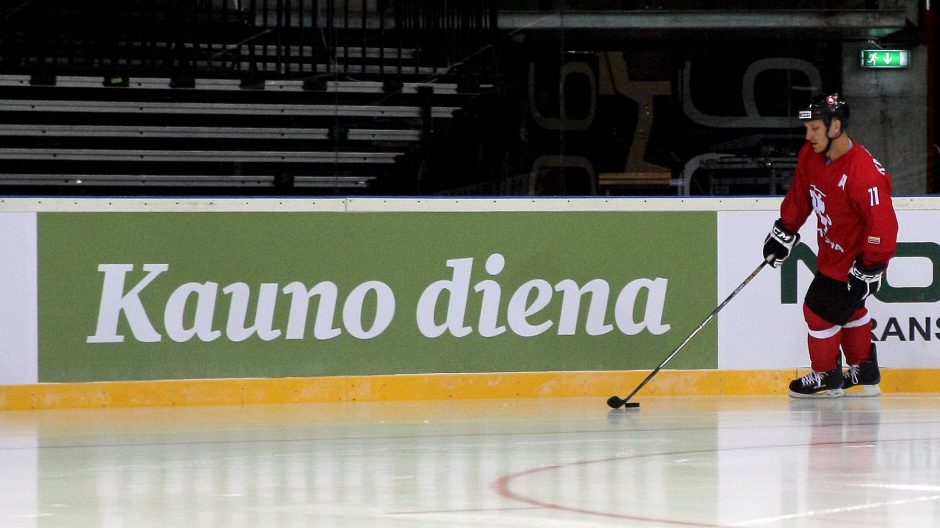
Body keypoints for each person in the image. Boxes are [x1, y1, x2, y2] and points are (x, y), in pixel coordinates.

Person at [762, 93, 898, 398]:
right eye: (807, 128)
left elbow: (884, 224)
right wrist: (786, 228)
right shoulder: (811, 156)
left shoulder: (864, 174)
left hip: (854, 261)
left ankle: (827, 376)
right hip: (830, 252)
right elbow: (800, 195)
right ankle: (864, 370)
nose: (808, 135)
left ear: (835, 127)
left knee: (818, 310)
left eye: (814, 129)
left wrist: (871, 265)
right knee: (850, 309)